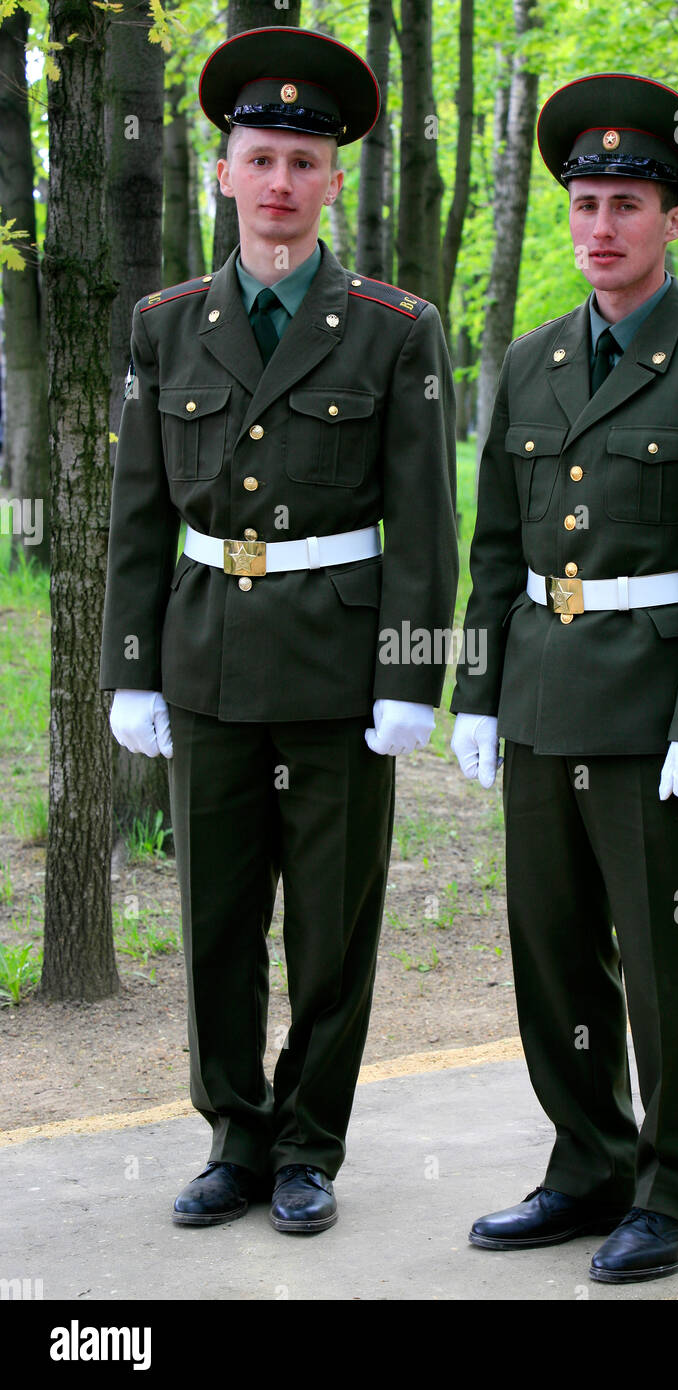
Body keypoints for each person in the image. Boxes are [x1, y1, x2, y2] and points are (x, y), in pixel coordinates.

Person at [100, 25, 458, 1235]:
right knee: (214, 923)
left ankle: (309, 1145)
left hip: (340, 665)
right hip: (202, 658)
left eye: (304, 165)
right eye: (259, 159)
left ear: (333, 183)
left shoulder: (394, 326)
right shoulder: (163, 324)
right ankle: (232, 1138)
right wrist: (131, 669)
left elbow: (424, 523)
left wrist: (413, 675)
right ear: (223, 172)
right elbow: (138, 510)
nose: (280, 184)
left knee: (330, 929)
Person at [450, 72, 678, 1283]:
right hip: (543, 697)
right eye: (584, 201)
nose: (601, 225)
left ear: (672, 216)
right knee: (551, 956)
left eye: (625, 203)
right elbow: (496, 549)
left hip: (657, 715)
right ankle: (586, 1163)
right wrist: (476, 693)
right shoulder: (532, 359)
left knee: (664, 963)